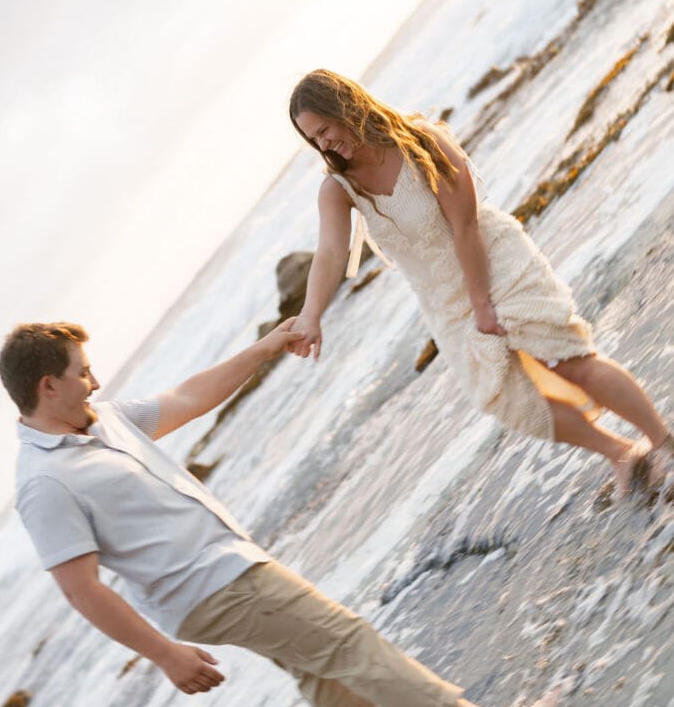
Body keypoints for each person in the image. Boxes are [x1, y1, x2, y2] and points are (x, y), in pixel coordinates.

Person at [0, 321, 557, 707]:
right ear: (48, 386)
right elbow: (82, 590)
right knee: (346, 641)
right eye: (82, 373)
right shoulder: (44, 483)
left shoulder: (104, 420)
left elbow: (190, 397)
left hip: (224, 569)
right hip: (209, 588)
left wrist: (263, 349)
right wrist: (164, 655)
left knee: (313, 662)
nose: (94, 383)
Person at [288, 69, 672, 498]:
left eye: (323, 129)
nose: (323, 144)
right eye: (312, 139)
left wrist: (483, 302)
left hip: (495, 262)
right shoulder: (338, 188)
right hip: (443, 300)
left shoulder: (421, 140)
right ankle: (622, 453)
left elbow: (465, 224)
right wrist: (311, 315)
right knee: (508, 399)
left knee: (567, 360)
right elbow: (329, 253)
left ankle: (664, 442)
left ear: (346, 107)